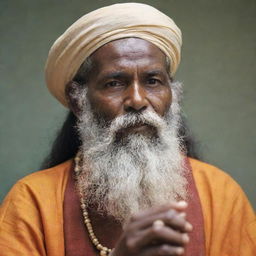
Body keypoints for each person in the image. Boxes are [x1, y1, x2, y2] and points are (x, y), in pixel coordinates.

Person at [0, 3, 255, 256]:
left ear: (173, 95)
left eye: (153, 81)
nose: (138, 100)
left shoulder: (221, 195)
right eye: (114, 83)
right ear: (78, 100)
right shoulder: (32, 202)